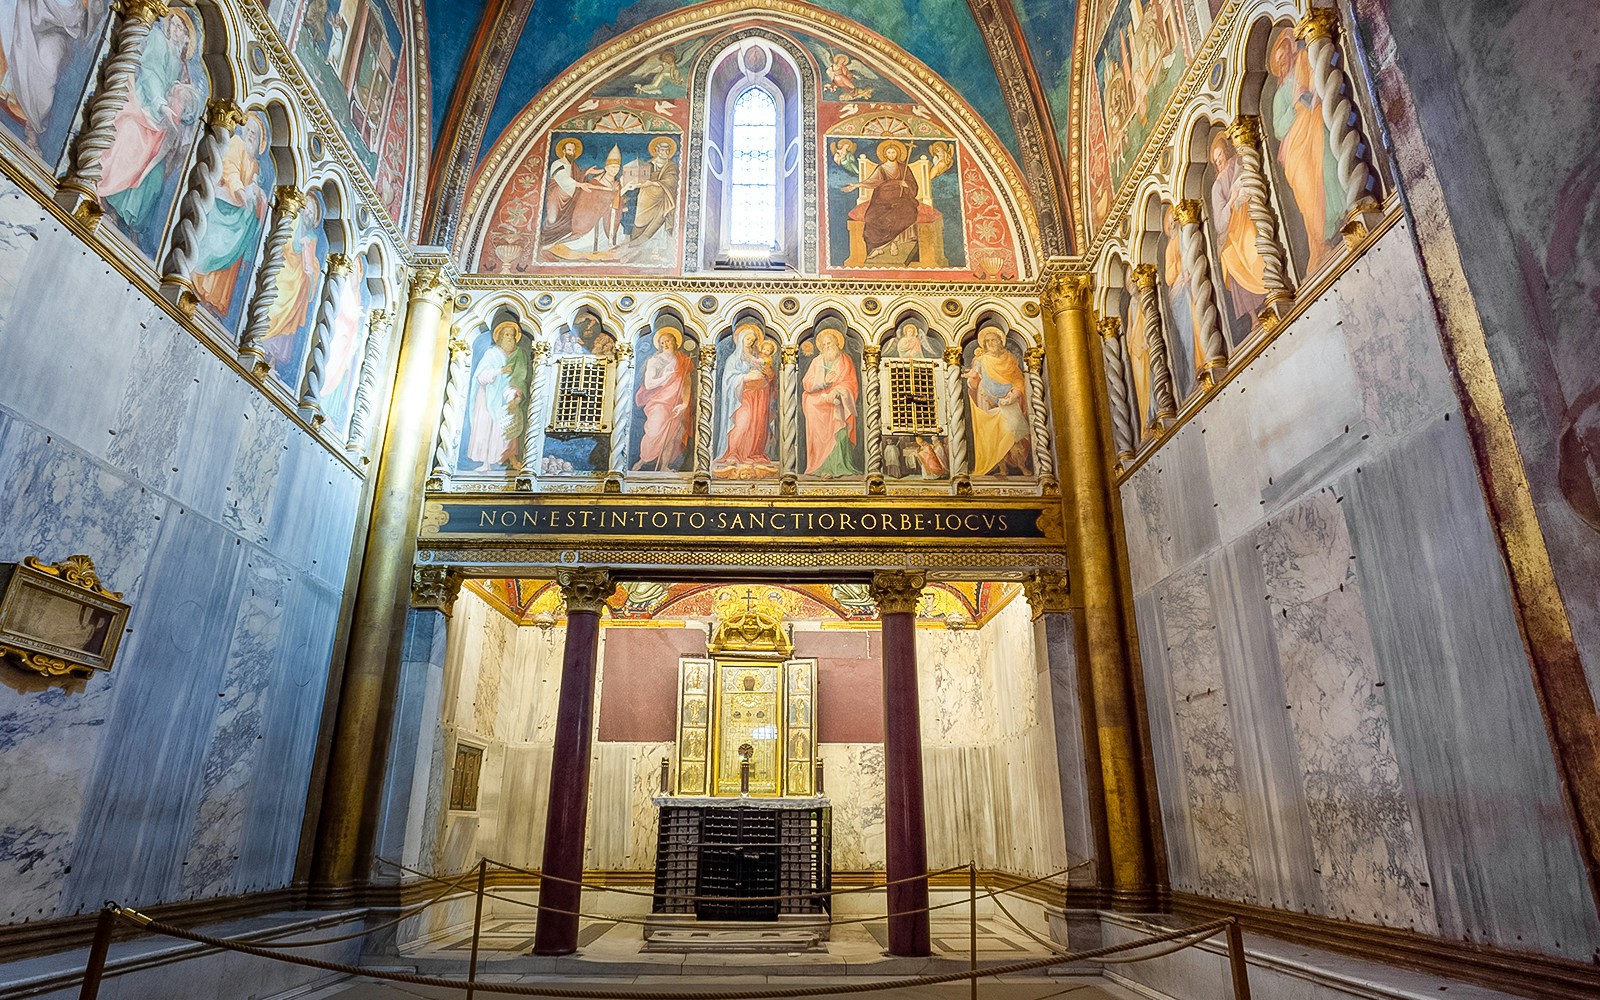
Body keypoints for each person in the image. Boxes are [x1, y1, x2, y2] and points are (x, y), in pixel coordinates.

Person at [97, 8, 201, 238]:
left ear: (186, 37)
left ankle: (125, 218)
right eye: (173, 25)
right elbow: (151, 73)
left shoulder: (182, 67)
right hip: (142, 104)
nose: (175, 31)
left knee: (154, 178)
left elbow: (187, 103)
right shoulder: (158, 41)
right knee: (130, 139)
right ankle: (101, 193)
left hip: (161, 123)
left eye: (181, 28)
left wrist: (181, 100)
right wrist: (160, 103)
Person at [1268, 27, 1346, 271]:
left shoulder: (1304, 62)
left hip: (1314, 125)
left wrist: (1308, 95)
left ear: (1292, 52)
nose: (1283, 63)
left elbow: (1319, 81)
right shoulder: (1280, 94)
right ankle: (1321, 241)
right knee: (1304, 186)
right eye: (1278, 61)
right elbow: (1279, 128)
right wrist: (1293, 105)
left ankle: (1346, 218)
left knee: (1328, 165)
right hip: (1294, 148)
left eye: (1285, 56)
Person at [191, 111, 271, 319]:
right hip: (226, 205)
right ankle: (199, 285)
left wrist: (257, 195)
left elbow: (254, 185)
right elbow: (229, 167)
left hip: (240, 217)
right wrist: (239, 189)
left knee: (232, 255)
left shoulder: (256, 165)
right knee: (216, 244)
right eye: (250, 131)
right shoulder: (237, 143)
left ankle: (215, 299)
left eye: (255, 134)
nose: (251, 135)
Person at [1208, 131, 1269, 326]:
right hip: (1233, 228)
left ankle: (1271, 290)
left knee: (1253, 240)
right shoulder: (1217, 187)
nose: (1220, 161)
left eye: (1221, 155)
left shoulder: (1238, 163)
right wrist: (1233, 199)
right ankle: (1254, 316)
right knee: (1230, 257)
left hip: (1248, 214)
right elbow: (1219, 222)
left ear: (1226, 150)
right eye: (1216, 160)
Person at [965, 326, 1032, 476]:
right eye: (987, 341)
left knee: (1012, 432)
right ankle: (1002, 467)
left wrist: (1014, 394)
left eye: (993, 340)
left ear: (1000, 341)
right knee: (993, 433)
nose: (990, 343)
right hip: (986, 397)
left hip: (1009, 398)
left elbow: (1018, 380)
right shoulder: (981, 359)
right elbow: (974, 376)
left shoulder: (1010, 358)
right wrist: (970, 378)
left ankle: (1021, 465)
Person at [465, 321, 529, 471]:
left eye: (512, 336)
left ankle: (511, 458)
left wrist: (516, 396)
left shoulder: (519, 354)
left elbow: (520, 376)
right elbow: (481, 376)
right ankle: (486, 462)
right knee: (487, 426)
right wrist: (499, 371)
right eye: (506, 335)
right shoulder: (491, 353)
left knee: (511, 425)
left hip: (509, 394)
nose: (509, 338)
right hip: (488, 397)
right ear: (499, 337)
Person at [715, 324, 777, 473]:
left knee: (756, 425)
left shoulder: (759, 357)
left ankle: (751, 453)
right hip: (741, 397)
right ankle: (733, 453)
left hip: (759, 395)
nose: (750, 341)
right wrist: (745, 377)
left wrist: (767, 374)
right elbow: (728, 380)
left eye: (752, 339)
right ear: (741, 339)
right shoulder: (733, 359)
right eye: (747, 338)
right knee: (742, 423)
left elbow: (770, 376)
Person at [844, 139, 919, 258]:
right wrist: (856, 185)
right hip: (882, 199)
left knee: (902, 212)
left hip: (901, 198)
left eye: (893, 152)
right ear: (885, 154)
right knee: (871, 217)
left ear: (898, 154)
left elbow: (913, 185)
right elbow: (872, 181)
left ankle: (892, 244)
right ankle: (877, 247)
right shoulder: (881, 168)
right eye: (889, 152)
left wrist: (907, 184)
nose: (891, 155)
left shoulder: (904, 168)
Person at [633, 326, 694, 472]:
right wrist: (666, 375)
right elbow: (649, 384)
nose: (665, 345)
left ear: (675, 343)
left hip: (675, 404)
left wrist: (684, 404)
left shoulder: (683, 360)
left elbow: (686, 384)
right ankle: (641, 462)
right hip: (659, 402)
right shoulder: (655, 361)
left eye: (669, 341)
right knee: (653, 433)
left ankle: (664, 466)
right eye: (662, 342)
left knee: (671, 437)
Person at [801, 328, 860, 477]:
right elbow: (807, 383)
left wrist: (838, 391)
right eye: (824, 344)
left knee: (839, 422)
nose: (827, 347)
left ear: (838, 344)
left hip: (838, 400)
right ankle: (820, 467)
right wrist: (822, 382)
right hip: (818, 399)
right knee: (810, 403)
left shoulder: (845, 360)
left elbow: (851, 383)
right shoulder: (817, 361)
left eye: (830, 343)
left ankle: (838, 466)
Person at [627, 135, 678, 246]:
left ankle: (647, 245)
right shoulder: (648, 164)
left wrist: (652, 183)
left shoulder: (672, 166)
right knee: (640, 219)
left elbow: (671, 181)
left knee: (658, 220)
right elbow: (640, 178)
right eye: (662, 150)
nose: (665, 152)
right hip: (645, 198)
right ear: (657, 151)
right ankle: (634, 240)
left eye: (667, 150)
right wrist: (635, 184)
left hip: (661, 200)